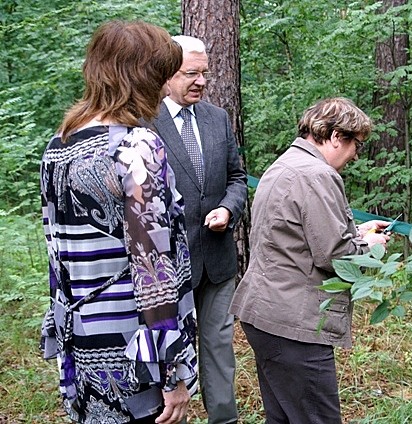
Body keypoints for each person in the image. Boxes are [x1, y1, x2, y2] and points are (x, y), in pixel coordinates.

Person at [40, 21, 198, 424]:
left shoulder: (58, 145)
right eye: (162, 76)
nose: (166, 88)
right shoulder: (136, 147)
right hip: (136, 356)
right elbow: (153, 270)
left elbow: (57, 261)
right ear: (142, 77)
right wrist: (171, 373)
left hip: (83, 344)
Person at [229, 97, 391, 423]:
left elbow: (297, 236)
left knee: (284, 418)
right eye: (357, 145)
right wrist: (371, 247)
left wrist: (358, 232)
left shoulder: (286, 164)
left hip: (267, 314)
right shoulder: (318, 175)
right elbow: (336, 256)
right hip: (295, 325)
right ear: (335, 136)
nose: (356, 155)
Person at [151, 35, 248, 424]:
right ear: (167, 73)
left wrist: (227, 208)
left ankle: (224, 419)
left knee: (219, 348)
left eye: (205, 73)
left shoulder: (216, 118)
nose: (202, 81)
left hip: (217, 262)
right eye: (192, 73)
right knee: (168, 351)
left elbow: (237, 177)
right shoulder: (144, 122)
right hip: (167, 267)